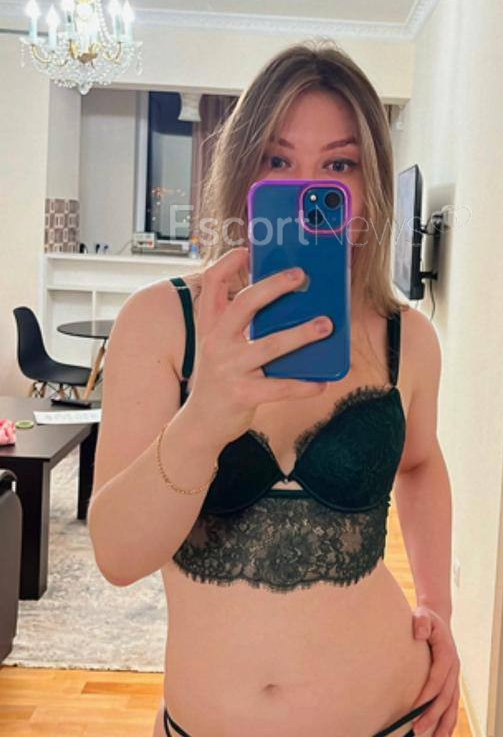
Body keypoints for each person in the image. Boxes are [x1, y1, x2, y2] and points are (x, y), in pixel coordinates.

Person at [88, 41, 461, 737]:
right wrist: (207, 415)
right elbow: (116, 556)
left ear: (369, 186)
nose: (308, 187)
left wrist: (438, 607)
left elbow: (420, 462)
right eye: (277, 160)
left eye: (339, 165)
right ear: (243, 173)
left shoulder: (406, 337)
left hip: (392, 715)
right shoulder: (162, 323)